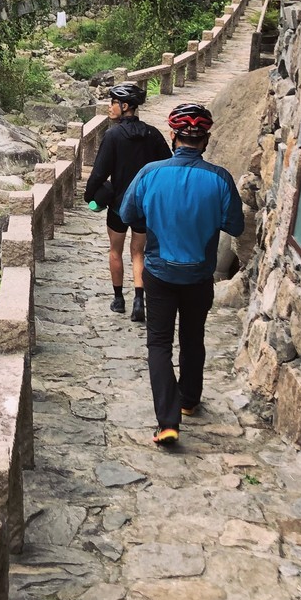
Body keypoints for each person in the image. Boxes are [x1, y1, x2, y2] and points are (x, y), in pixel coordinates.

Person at [120, 103, 244, 447]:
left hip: (159, 272)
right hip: (199, 275)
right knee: (193, 336)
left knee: (159, 343)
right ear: (205, 140)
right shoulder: (220, 179)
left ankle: (167, 422)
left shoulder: (149, 173)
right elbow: (235, 225)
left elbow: (130, 214)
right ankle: (189, 399)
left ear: (173, 136)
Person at [83, 84, 170, 322]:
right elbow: (167, 166)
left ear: (124, 106)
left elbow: (99, 172)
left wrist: (89, 196)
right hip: (145, 206)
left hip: (119, 205)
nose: (110, 107)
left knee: (115, 250)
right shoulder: (153, 134)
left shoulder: (112, 136)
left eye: (113, 102)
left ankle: (118, 299)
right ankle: (139, 300)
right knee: (138, 252)